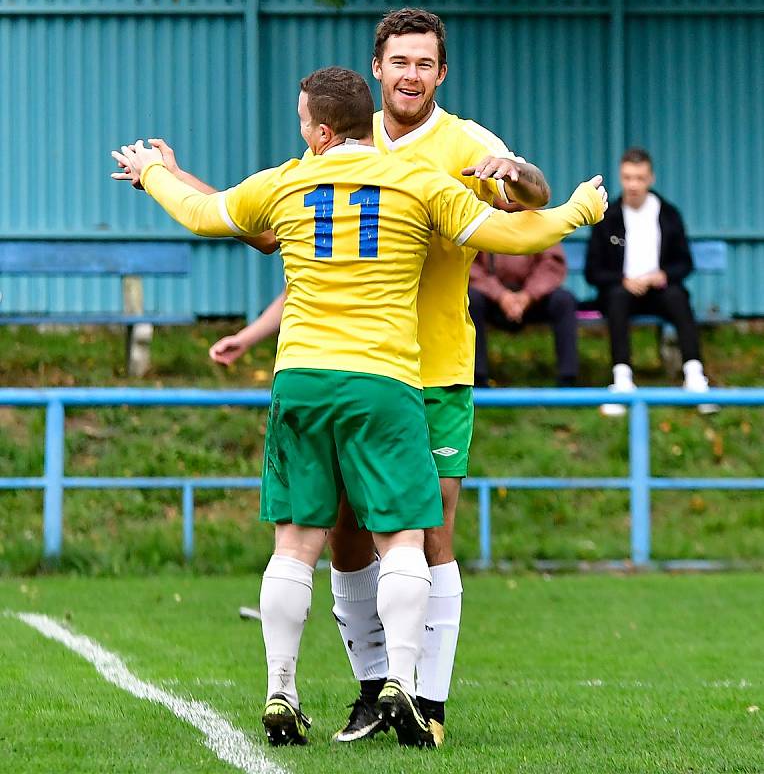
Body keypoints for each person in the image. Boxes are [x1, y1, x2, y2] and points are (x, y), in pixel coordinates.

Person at [115, 66, 606, 747]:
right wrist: (581, 208)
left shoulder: (289, 180)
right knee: (404, 536)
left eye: (300, 120)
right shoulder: (417, 182)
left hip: (303, 379)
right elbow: (518, 235)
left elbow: (205, 214)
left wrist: (152, 173)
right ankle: (401, 680)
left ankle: (280, 688)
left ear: (320, 130)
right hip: (384, 380)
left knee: (295, 541)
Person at [585, 147, 716, 416]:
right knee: (616, 297)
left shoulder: (668, 214)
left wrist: (664, 275)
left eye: (640, 178)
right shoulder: (608, 218)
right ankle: (621, 379)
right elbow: (593, 271)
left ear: (651, 179)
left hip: (660, 292)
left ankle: (695, 377)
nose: (633, 184)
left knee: (678, 296)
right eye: (628, 177)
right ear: (621, 178)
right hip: (623, 293)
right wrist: (623, 280)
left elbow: (685, 262)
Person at [467, 246, 579, 386]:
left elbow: (551, 263)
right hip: (490, 296)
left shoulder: (543, 223)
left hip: (533, 297)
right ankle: (477, 378)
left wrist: (528, 295)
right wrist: (500, 295)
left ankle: (567, 379)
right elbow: (469, 264)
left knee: (564, 301)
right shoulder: (476, 224)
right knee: (471, 300)